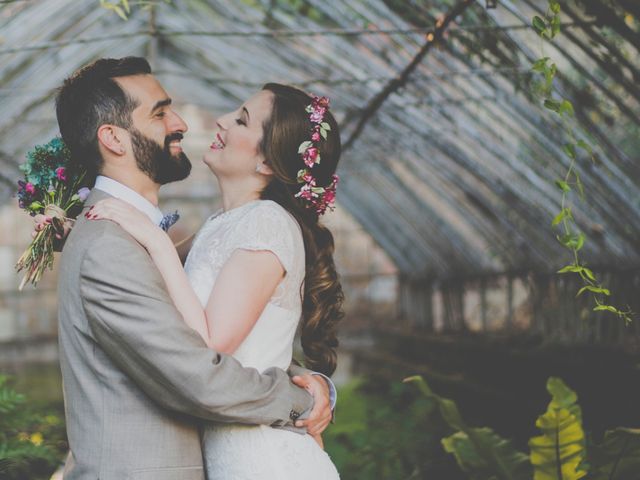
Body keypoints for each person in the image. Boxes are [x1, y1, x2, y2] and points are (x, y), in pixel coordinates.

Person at [50, 57, 335, 480]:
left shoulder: (137, 233)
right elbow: (198, 374)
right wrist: (301, 401)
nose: (181, 122)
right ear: (113, 139)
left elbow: (207, 340)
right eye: (160, 113)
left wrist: (309, 381)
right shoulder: (108, 245)